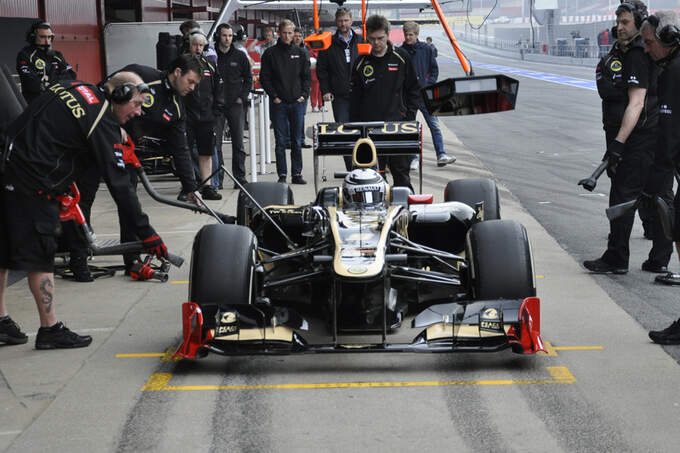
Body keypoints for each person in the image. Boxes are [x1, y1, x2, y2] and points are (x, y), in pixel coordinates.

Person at [0, 71, 167, 348]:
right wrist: (146, 233)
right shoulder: (102, 121)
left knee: (3, 252)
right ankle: (50, 330)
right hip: (35, 184)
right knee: (41, 256)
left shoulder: (73, 86)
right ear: (120, 94)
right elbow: (120, 187)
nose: (138, 112)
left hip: (8, 165)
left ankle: (2, 321)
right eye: (136, 104)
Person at [583, 0, 673, 275]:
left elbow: (636, 102)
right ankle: (660, 257)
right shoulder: (638, 49)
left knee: (623, 194)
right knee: (659, 195)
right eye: (618, 22)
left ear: (639, 24)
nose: (619, 27)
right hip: (656, 133)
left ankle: (616, 257)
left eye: (626, 23)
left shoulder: (636, 53)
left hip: (637, 138)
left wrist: (618, 144)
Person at [640, 10, 680, 344]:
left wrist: (659, 171)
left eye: (651, 42)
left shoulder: (673, 71)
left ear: (669, 38)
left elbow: (669, 131)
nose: (647, 49)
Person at [349, 15, 420, 191]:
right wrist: (356, 128)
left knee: (401, 175)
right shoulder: (360, 63)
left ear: (388, 35)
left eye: (380, 38)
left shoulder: (402, 58)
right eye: (372, 39)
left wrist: (408, 118)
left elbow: (414, 90)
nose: (377, 43)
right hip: (369, 129)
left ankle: (406, 212)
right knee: (371, 178)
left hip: (398, 127)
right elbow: (354, 100)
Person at [259, 19, 310, 185]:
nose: (288, 36)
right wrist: (274, 96)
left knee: (296, 140)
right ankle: (282, 175)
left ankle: (297, 174)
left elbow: (306, 77)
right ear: (278, 33)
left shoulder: (301, 52)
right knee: (280, 141)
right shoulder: (270, 54)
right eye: (285, 33)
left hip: (297, 102)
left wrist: (303, 95)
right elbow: (264, 78)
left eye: (290, 33)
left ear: (294, 33)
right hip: (278, 104)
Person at [400, 21, 456, 169]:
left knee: (435, 126)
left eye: (410, 34)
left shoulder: (426, 49)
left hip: (425, 95)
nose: (407, 37)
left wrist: (429, 83)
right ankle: (414, 158)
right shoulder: (400, 52)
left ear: (417, 35)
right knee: (410, 129)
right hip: (409, 97)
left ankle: (441, 155)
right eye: (405, 34)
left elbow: (434, 69)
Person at [317, 7, 361, 170]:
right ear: (336, 22)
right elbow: (322, 70)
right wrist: (326, 90)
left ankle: (363, 165)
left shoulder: (361, 41)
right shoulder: (328, 44)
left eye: (346, 20)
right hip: (340, 96)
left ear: (351, 20)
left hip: (360, 95)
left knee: (361, 131)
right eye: (340, 20)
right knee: (343, 132)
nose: (343, 23)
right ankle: (351, 168)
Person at [185, 32, 224, 200]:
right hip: (187, 116)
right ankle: (187, 187)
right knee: (185, 151)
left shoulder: (210, 65)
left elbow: (218, 89)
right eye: (195, 45)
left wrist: (216, 110)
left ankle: (207, 186)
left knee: (206, 152)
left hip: (207, 117)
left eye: (201, 45)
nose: (198, 48)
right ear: (190, 45)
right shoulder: (182, 64)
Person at [214, 23, 252, 189]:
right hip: (216, 106)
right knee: (216, 144)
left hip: (235, 105)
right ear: (218, 36)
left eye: (230, 36)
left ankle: (239, 178)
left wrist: (241, 98)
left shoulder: (240, 55)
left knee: (238, 143)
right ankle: (218, 179)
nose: (227, 39)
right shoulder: (211, 55)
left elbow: (248, 79)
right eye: (224, 35)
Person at [17, 21, 76, 104]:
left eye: (49, 37)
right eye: (43, 37)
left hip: (57, 101)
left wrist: (49, 80)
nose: (47, 41)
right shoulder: (25, 55)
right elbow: (30, 82)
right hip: (34, 103)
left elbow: (71, 76)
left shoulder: (57, 55)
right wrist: (55, 81)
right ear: (33, 37)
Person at [294, 27, 312, 149]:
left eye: (299, 36)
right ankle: (291, 140)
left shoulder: (305, 50)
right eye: (295, 35)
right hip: (291, 88)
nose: (297, 38)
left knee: (301, 116)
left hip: (303, 88)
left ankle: (301, 140)